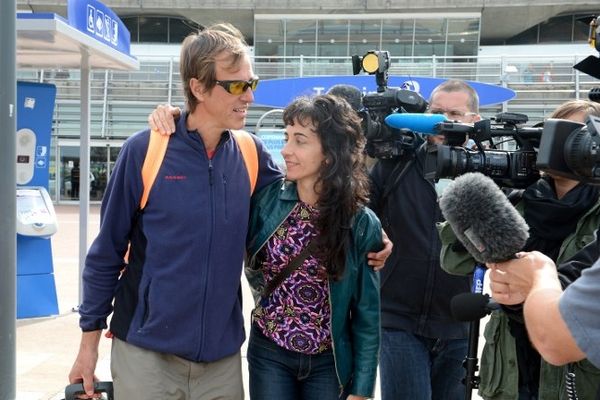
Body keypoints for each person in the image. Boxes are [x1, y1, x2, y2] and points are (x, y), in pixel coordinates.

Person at [68, 23, 285, 399]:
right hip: (146, 353)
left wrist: (369, 230)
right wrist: (88, 348)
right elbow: (106, 253)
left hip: (221, 358)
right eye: (235, 85)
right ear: (198, 88)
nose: (248, 96)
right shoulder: (145, 151)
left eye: (252, 83)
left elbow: (305, 205)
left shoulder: (251, 155)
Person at [440, 100, 600, 400]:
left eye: (572, 135)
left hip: (575, 368)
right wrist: (485, 191)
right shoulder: (520, 198)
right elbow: (454, 260)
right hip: (512, 367)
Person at [245, 94, 382, 399]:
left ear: (330, 155)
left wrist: (362, 388)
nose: (286, 150)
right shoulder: (265, 201)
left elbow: (367, 314)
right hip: (270, 351)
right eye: (286, 137)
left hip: (329, 362)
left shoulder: (360, 222)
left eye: (300, 140)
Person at [369, 79, 481, 400]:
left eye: (454, 113)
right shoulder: (397, 163)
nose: (442, 121)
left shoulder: (487, 170)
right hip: (397, 318)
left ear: (474, 119)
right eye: (436, 112)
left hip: (459, 323)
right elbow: (358, 207)